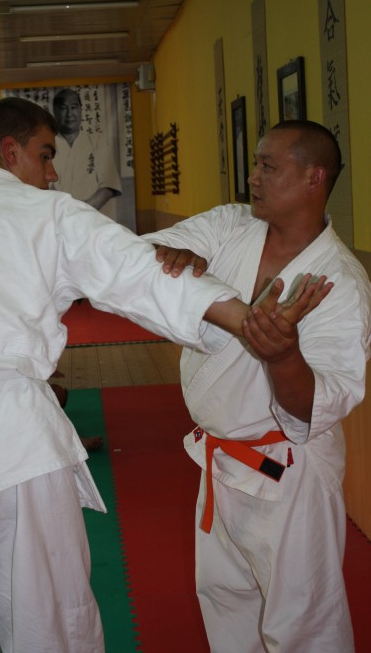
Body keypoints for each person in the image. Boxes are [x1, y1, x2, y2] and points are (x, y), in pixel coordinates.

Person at [0, 99, 328, 653]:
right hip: (10, 446)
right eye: (45, 154)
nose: (53, 172)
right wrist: (245, 320)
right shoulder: (46, 215)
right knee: (48, 625)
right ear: (10, 151)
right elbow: (138, 273)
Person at [145, 120, 371, 653]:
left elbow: (318, 407)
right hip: (221, 460)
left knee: (301, 623)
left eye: (268, 166)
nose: (253, 177)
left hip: (288, 474)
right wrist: (176, 257)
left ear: (314, 177)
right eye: (255, 164)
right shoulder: (231, 225)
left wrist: (284, 357)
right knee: (225, 600)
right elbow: (141, 256)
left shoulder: (340, 284)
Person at [52, 88, 122, 212]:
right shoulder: (48, 144)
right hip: (57, 213)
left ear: (81, 109)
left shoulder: (97, 142)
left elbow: (109, 186)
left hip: (92, 213)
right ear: (55, 111)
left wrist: (82, 211)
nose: (69, 114)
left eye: (74, 107)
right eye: (63, 108)